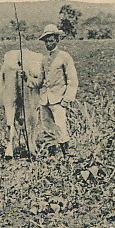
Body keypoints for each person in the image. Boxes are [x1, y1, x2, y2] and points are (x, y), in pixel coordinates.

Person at [36, 24, 79, 156]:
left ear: (57, 40)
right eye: (46, 41)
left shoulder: (64, 57)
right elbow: (39, 81)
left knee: (60, 126)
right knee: (47, 127)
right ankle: (52, 155)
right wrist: (26, 78)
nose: (48, 44)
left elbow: (72, 80)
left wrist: (67, 99)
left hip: (59, 98)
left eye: (51, 40)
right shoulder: (44, 59)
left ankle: (66, 156)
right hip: (45, 99)